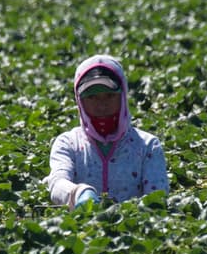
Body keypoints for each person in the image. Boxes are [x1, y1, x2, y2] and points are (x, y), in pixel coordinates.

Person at [45, 54, 168, 208]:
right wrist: (78, 193)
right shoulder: (68, 144)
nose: (102, 105)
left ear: (122, 96)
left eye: (110, 96)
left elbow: (157, 201)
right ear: (80, 100)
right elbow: (56, 182)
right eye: (92, 97)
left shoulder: (147, 146)